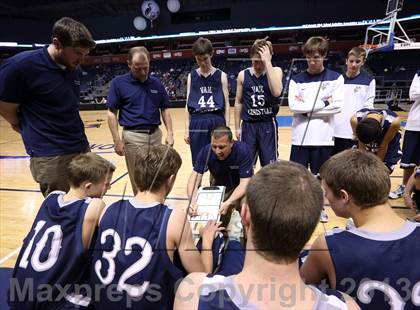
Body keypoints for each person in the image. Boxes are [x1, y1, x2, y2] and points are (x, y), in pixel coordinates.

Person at [175, 161, 359, 310]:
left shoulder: (194, 291)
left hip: (231, 274)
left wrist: (207, 242)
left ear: (245, 215)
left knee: (231, 246)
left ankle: (234, 238)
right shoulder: (345, 305)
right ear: (311, 227)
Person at [90, 145, 224, 309]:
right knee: (216, 243)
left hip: (103, 303)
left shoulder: (108, 210)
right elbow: (202, 275)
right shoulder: (174, 218)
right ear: (171, 179)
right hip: (151, 303)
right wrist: (208, 239)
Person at [300, 149, 420, 309]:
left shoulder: (330, 245)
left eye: (326, 193)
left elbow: (297, 288)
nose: (326, 199)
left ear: (344, 196)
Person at [0, 17, 96, 196]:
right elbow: (5, 104)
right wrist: (17, 123)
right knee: (61, 212)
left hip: (80, 145)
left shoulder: (73, 67)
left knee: (88, 204)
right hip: (50, 154)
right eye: (77, 53)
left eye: (85, 54)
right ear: (57, 43)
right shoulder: (20, 66)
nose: (81, 59)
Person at [8, 153, 115, 309]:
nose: (109, 187)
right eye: (106, 184)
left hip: (18, 293)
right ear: (88, 187)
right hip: (49, 302)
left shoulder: (51, 197)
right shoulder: (95, 206)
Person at [107, 46, 174, 194]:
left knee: (157, 175)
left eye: (146, 68)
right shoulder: (118, 83)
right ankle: (140, 211)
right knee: (139, 179)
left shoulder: (156, 83)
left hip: (156, 135)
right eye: (138, 68)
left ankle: (156, 206)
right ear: (129, 64)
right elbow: (111, 113)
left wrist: (170, 133)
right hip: (133, 137)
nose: (143, 72)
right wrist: (116, 139)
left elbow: (165, 108)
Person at [288, 36, 344, 175]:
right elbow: (294, 107)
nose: (312, 62)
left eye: (316, 57)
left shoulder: (336, 78)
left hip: (324, 139)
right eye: (308, 57)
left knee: (323, 180)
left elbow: (337, 106)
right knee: (296, 180)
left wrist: (307, 111)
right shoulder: (296, 80)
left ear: (324, 55)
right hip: (300, 138)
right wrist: (324, 102)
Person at [187, 126, 253, 220]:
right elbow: (194, 178)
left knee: (247, 211)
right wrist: (192, 201)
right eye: (214, 146)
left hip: (241, 185)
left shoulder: (243, 150)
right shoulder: (206, 151)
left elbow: (245, 182)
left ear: (231, 143)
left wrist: (229, 202)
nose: (217, 151)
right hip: (221, 183)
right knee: (216, 218)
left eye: (221, 147)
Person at [234, 38, 283, 166]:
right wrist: (237, 127)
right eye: (255, 61)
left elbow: (277, 92)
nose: (258, 66)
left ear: (269, 57)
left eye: (261, 62)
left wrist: (267, 62)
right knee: (246, 164)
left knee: (269, 166)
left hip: (267, 124)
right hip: (248, 125)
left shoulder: (276, 71)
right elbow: (238, 102)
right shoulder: (243, 75)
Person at [184, 37, 230, 166]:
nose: (203, 63)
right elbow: (187, 105)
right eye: (199, 59)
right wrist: (187, 129)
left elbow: (226, 104)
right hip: (197, 121)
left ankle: (215, 184)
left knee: (219, 160)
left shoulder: (221, 75)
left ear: (211, 54)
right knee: (198, 162)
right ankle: (198, 185)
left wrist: (226, 127)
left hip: (216, 119)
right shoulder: (191, 76)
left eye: (205, 59)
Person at [333, 47, 375, 154]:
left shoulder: (369, 81)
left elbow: (368, 107)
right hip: (334, 132)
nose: (354, 65)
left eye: (357, 61)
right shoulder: (337, 80)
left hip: (354, 132)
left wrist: (360, 130)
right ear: (346, 61)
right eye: (351, 61)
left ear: (363, 62)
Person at [389, 70, 420, 198]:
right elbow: (413, 94)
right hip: (415, 123)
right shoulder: (418, 73)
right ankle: (404, 186)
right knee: (409, 161)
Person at [351, 108, 402, 173]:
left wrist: (377, 169)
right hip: (365, 138)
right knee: (359, 169)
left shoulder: (394, 122)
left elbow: (383, 146)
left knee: (382, 172)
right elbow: (361, 143)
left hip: (387, 143)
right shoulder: (354, 120)